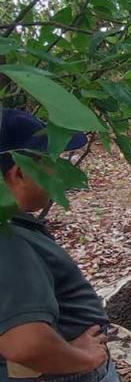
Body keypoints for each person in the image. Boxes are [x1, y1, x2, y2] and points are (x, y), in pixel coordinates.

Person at [0, 109, 119, 381]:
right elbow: (25, 344)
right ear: (19, 171)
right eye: (52, 162)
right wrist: (84, 359)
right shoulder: (8, 238)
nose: (61, 174)